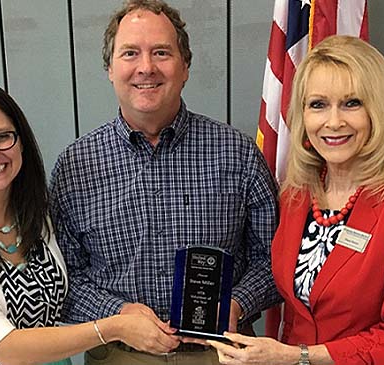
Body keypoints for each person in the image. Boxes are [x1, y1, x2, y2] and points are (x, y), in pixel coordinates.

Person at [48, 0, 280, 364]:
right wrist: (120, 316)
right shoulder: (75, 166)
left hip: (221, 353)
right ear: (109, 68)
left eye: (161, 52)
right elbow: (63, 276)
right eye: (130, 53)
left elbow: (272, 258)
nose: (146, 67)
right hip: (119, 354)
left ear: (185, 66)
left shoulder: (237, 153)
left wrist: (238, 303)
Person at [207, 35, 384, 365]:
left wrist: (298, 357)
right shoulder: (296, 195)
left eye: (352, 103)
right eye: (318, 104)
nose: (333, 122)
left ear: (379, 111)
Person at [0, 78, 170, 365]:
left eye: (1, 137)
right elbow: (4, 348)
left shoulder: (38, 218)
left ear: (20, 141)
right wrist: (115, 326)